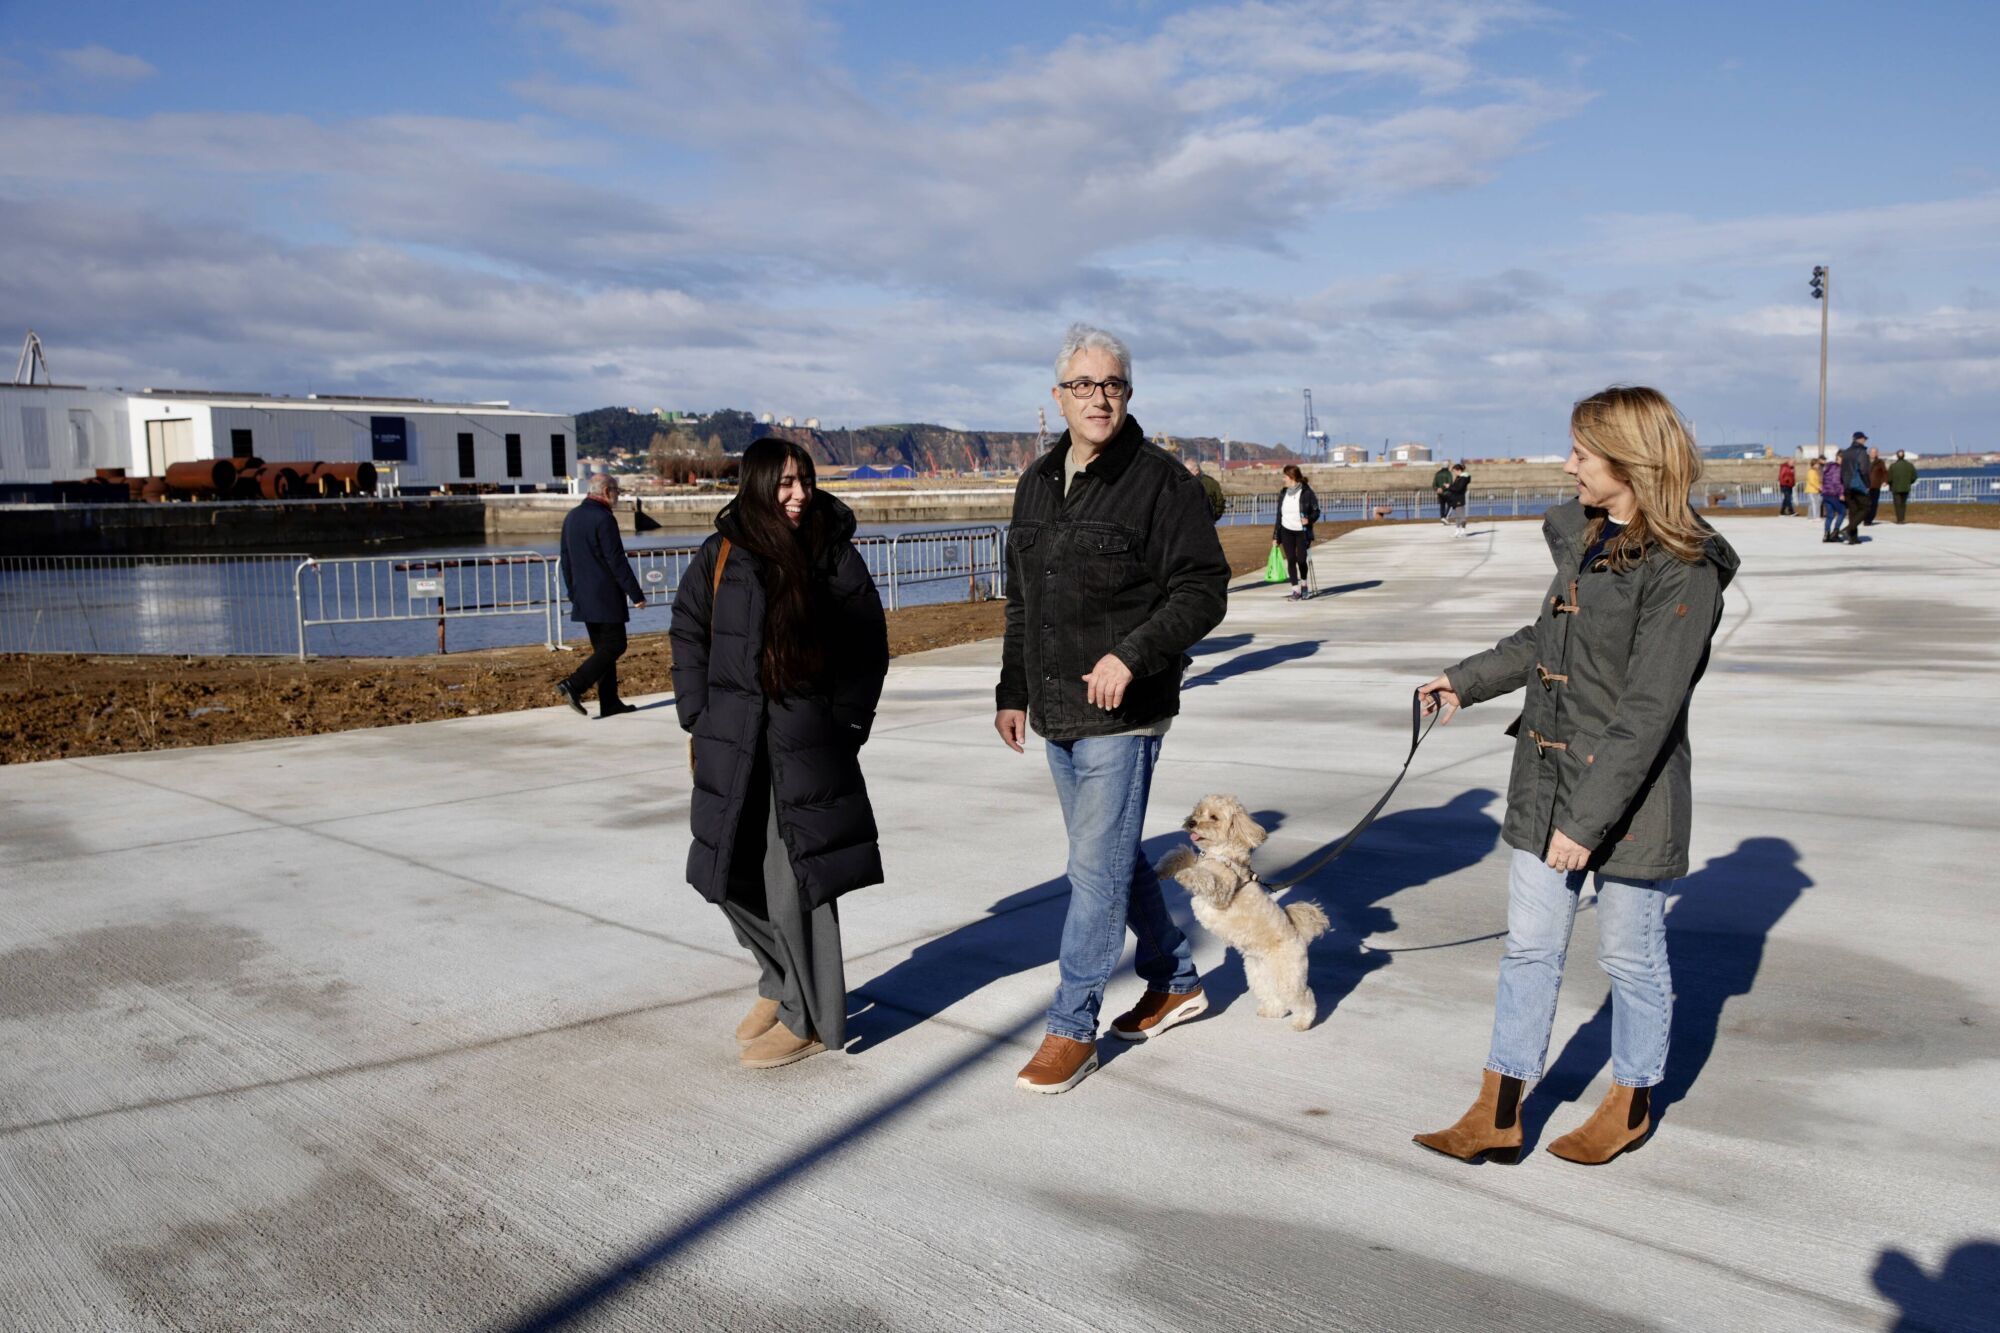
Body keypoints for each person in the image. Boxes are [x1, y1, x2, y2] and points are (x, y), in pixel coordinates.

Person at [1412, 385, 1739, 1166]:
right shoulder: (1588, 540)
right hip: (1547, 778)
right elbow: (1544, 641)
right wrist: (1463, 680)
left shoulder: (1683, 569)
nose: (1569, 466)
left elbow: (1649, 711)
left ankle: (1631, 1100)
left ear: (1631, 462)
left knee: (1629, 955)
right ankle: (1498, 1110)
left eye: (1582, 453)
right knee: (1529, 949)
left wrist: (1584, 823)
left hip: (1631, 800)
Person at [995, 323, 1230, 1095]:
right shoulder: (1036, 482)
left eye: (1113, 385)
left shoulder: (1160, 482)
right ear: (1058, 395)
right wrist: (1013, 691)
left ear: (1128, 393)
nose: (1099, 398)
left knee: (1093, 873)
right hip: (1057, 709)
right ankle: (1176, 979)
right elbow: (1024, 603)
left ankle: (1072, 1026)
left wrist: (1131, 654)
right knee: (1113, 857)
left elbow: (1203, 589)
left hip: (1126, 713)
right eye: (1084, 385)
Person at [671, 438, 889, 1070]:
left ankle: (810, 1018)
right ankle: (779, 977)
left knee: (795, 878)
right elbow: (688, 629)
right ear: (757, 484)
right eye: (785, 483)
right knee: (724, 872)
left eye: (806, 482)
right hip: (733, 738)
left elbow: (868, 643)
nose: (798, 496)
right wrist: (697, 715)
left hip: (805, 739)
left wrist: (846, 723)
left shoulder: (829, 550)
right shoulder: (722, 551)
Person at [554, 473, 646, 719]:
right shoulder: (604, 519)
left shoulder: (572, 517)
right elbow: (616, 560)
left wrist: (573, 592)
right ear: (606, 491)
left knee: (603, 650)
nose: (618, 496)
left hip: (583, 596)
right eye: (617, 491)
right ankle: (574, 684)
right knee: (616, 645)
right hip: (605, 596)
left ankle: (610, 701)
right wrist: (635, 594)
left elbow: (566, 560)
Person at [1271, 464, 1320, 599]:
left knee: (1301, 560)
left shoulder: (1306, 492)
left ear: (1292, 477)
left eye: (1285, 476)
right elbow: (1279, 516)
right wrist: (1276, 536)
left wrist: (1309, 520)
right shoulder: (1283, 493)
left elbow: (1316, 511)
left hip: (1302, 532)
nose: (1283, 479)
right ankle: (1295, 590)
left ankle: (1304, 583)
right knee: (1291, 560)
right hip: (1286, 531)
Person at [1841, 431, 1871, 544]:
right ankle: (1848, 529)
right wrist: (1867, 484)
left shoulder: (1846, 452)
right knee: (1866, 507)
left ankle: (1852, 537)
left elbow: (1842, 470)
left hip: (1847, 485)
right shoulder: (1861, 452)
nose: (1865, 441)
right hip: (1858, 484)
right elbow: (1864, 470)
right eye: (1864, 439)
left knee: (1853, 511)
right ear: (1860, 439)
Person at [1820, 454, 1848, 543]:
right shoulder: (1837, 468)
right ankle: (1835, 533)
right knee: (1842, 512)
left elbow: (1824, 480)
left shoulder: (1828, 467)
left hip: (1826, 493)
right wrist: (1841, 493)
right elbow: (1836, 482)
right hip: (1834, 494)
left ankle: (1826, 534)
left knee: (1830, 515)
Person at [1888, 449, 1918, 524]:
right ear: (1904, 456)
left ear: (1897, 456)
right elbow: (1914, 477)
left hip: (1895, 488)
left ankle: (1899, 519)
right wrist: (1909, 483)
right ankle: (1902, 518)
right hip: (1906, 487)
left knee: (1897, 504)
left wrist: (1891, 484)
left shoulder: (1893, 466)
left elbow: (1889, 478)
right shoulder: (1910, 465)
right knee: (1903, 504)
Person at [1445, 461, 1472, 536]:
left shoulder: (1463, 478)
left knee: (1461, 516)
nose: (1454, 473)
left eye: (1454, 471)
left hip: (1459, 498)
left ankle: (1462, 531)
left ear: (1459, 470)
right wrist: (1450, 486)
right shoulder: (1459, 477)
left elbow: (1458, 488)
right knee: (1457, 516)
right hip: (1455, 498)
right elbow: (1455, 487)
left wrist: (1449, 487)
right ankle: (1457, 531)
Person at [1865, 447, 1888, 525]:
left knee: (1874, 503)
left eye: (1875, 452)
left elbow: (1884, 472)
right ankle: (1865, 518)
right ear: (1869, 453)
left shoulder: (1880, 462)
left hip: (1875, 485)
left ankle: (1869, 519)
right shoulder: (1865, 461)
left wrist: (1885, 481)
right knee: (1866, 503)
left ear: (1877, 453)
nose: (1873, 454)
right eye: (1872, 452)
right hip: (1866, 486)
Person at [1803, 451, 1822, 519]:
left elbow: (1817, 481)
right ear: (1813, 464)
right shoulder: (1811, 472)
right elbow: (1812, 481)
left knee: (1815, 503)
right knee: (1813, 503)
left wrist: (1820, 486)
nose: (1818, 465)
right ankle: (1815, 516)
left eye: (1818, 464)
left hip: (1816, 490)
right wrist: (1818, 487)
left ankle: (1810, 516)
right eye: (1817, 464)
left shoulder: (1816, 472)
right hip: (1811, 490)